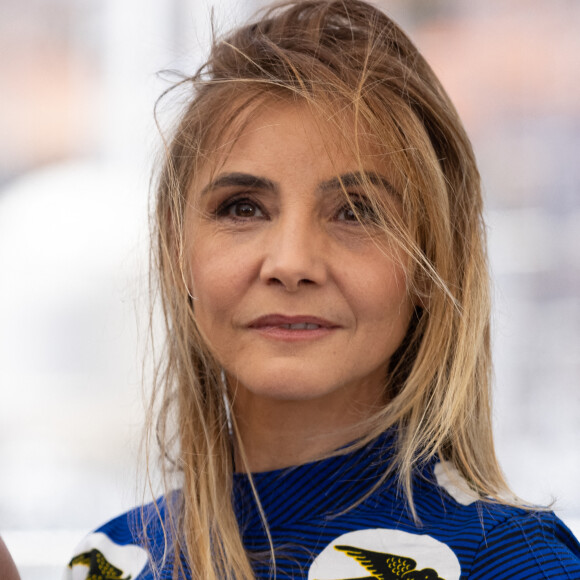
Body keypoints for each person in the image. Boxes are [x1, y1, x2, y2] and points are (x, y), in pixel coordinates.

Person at [66, 1, 580, 578]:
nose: (290, 263)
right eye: (243, 207)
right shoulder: (106, 562)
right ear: (175, 250)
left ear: (433, 264)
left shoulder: (514, 564)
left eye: (356, 212)